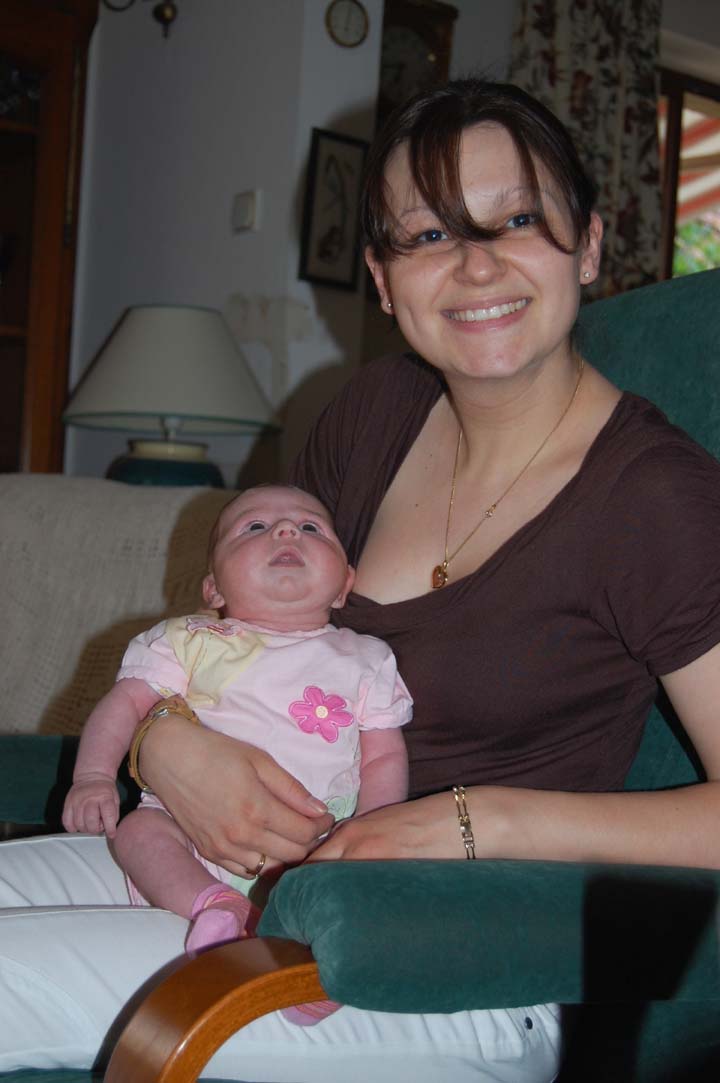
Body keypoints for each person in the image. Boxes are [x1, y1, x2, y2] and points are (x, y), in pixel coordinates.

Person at [2, 77, 720, 1083]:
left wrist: (472, 819)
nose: (475, 264)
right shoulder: (373, 413)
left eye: (517, 220)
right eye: (427, 236)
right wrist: (163, 738)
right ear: (383, 281)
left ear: (589, 244)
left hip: (458, 954)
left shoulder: (656, 497)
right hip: (236, 877)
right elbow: (239, 631)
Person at [61, 484, 410, 1020]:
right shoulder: (189, 639)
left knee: (341, 888)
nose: (286, 530)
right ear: (213, 587)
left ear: (344, 585)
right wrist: (92, 776)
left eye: (311, 527)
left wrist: (372, 835)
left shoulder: (367, 658)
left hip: (315, 838)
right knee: (138, 833)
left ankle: (313, 977)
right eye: (254, 527)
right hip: (186, 827)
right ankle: (214, 904)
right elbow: (125, 705)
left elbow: (383, 757)